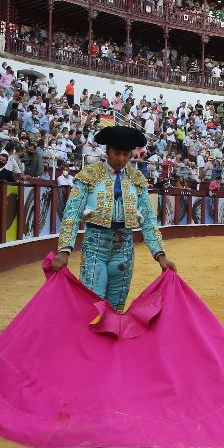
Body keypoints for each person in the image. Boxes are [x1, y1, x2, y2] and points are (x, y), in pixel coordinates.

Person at [52, 126, 176, 312]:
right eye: (117, 153)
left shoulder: (137, 179)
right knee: (93, 308)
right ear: (108, 150)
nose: (122, 159)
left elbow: (149, 220)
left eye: (126, 154)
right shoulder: (89, 175)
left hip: (124, 249)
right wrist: (64, 251)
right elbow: (72, 213)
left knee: (116, 308)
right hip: (95, 246)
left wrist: (161, 255)